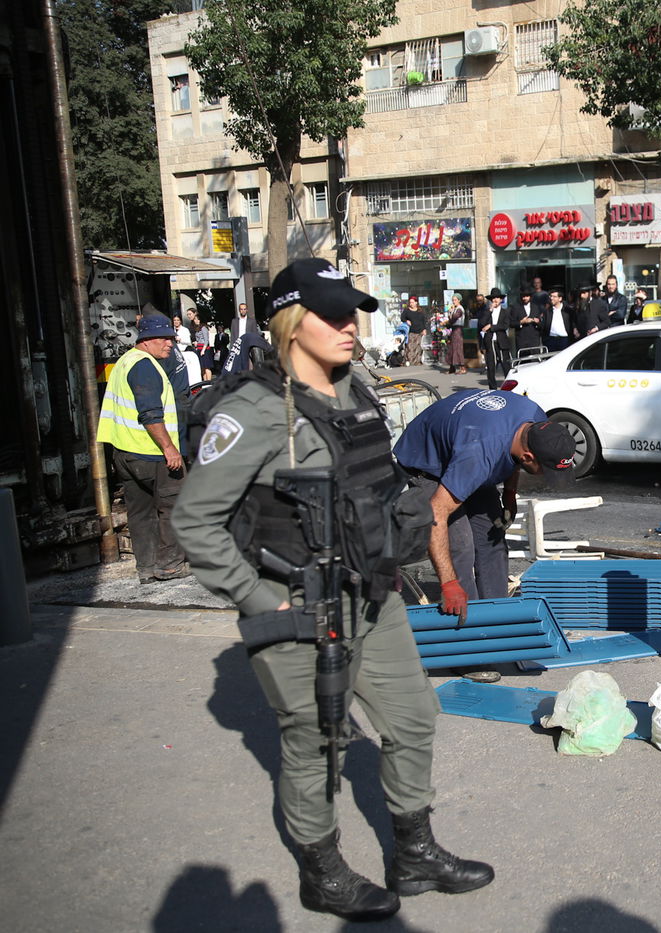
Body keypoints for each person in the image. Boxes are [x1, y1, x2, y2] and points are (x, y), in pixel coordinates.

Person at [171, 258, 491, 921]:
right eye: (335, 314)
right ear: (292, 321)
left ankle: (414, 852)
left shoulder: (356, 391)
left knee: (413, 716)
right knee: (316, 740)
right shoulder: (254, 411)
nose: (352, 326)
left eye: (354, 313)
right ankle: (322, 872)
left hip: (374, 593)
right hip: (299, 606)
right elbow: (194, 522)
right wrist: (260, 599)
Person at [393, 390, 577, 615]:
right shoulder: (479, 456)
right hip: (429, 463)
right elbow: (436, 514)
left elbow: (514, 458)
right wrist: (449, 584)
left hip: (466, 445)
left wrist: (509, 493)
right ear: (529, 456)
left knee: (492, 535)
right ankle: (467, 621)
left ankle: (497, 613)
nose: (544, 477)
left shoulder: (536, 420)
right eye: (545, 471)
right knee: (460, 544)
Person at [97, 311, 189, 584]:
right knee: (175, 505)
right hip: (152, 453)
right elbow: (150, 413)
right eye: (164, 339)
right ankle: (169, 566)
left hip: (125, 453)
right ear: (147, 340)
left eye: (171, 338)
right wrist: (170, 448)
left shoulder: (125, 362)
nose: (170, 344)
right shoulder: (145, 366)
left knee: (140, 512)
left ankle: (146, 568)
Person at [477, 289, 516, 390]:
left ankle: (509, 389)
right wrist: (489, 310)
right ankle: (493, 389)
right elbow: (481, 324)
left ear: (501, 299)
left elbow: (505, 325)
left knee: (506, 366)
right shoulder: (486, 311)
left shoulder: (505, 311)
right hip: (490, 342)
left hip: (502, 342)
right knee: (491, 367)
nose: (495, 300)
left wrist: (491, 326)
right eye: (493, 298)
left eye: (497, 298)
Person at [443, 293, 468, 375]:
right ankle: (452, 368)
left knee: (458, 348)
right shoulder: (454, 309)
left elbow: (454, 318)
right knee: (451, 348)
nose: (453, 302)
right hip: (453, 329)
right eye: (453, 300)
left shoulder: (460, 309)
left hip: (458, 329)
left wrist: (447, 322)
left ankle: (462, 367)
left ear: (459, 300)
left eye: (455, 300)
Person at [400, 297, 427, 365]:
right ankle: (409, 361)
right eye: (410, 302)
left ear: (416, 302)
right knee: (410, 347)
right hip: (411, 331)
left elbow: (423, 321)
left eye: (412, 302)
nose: (411, 304)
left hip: (419, 331)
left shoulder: (420, 311)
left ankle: (417, 361)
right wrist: (406, 321)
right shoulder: (407, 310)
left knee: (418, 347)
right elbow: (402, 318)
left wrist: (424, 329)